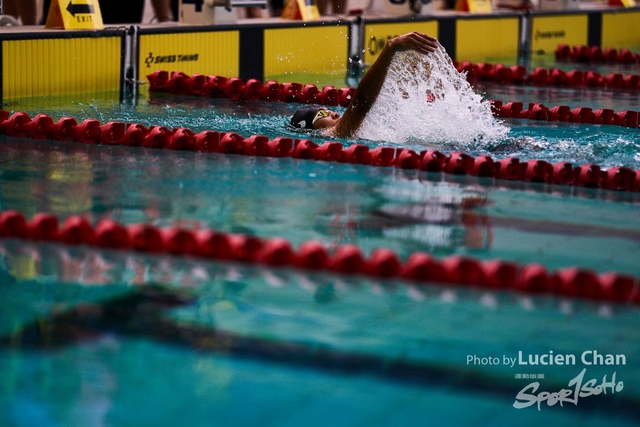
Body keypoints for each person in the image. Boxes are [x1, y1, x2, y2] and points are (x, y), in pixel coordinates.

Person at [289, 32, 439, 138]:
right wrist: (391, 47)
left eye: (328, 110)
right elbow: (362, 103)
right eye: (322, 114)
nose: (334, 113)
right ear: (308, 129)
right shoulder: (332, 135)